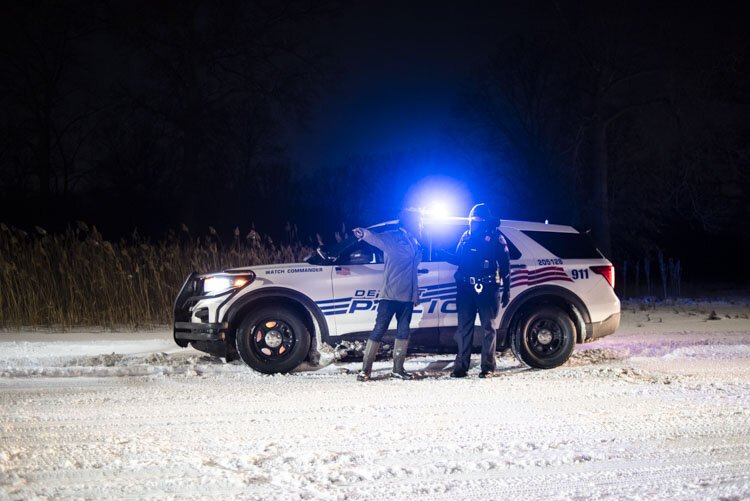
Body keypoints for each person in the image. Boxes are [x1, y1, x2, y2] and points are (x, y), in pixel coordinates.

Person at [353, 209, 423, 381]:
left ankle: (398, 369)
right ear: (409, 222)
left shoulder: (414, 241)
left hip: (407, 297)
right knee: (379, 329)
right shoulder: (394, 236)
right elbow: (376, 238)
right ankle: (365, 370)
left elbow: (413, 271)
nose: (420, 225)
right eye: (418, 221)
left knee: (403, 332)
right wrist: (364, 233)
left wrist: (415, 295)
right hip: (390, 295)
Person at [450, 203, 511, 378]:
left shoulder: (496, 238)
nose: (473, 222)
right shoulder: (465, 236)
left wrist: (507, 289)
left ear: (484, 221)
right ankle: (461, 367)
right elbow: (458, 258)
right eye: (471, 219)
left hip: (488, 288)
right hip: (465, 289)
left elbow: (506, 266)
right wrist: (443, 254)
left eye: (477, 219)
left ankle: (488, 367)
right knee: (464, 328)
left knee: (488, 329)